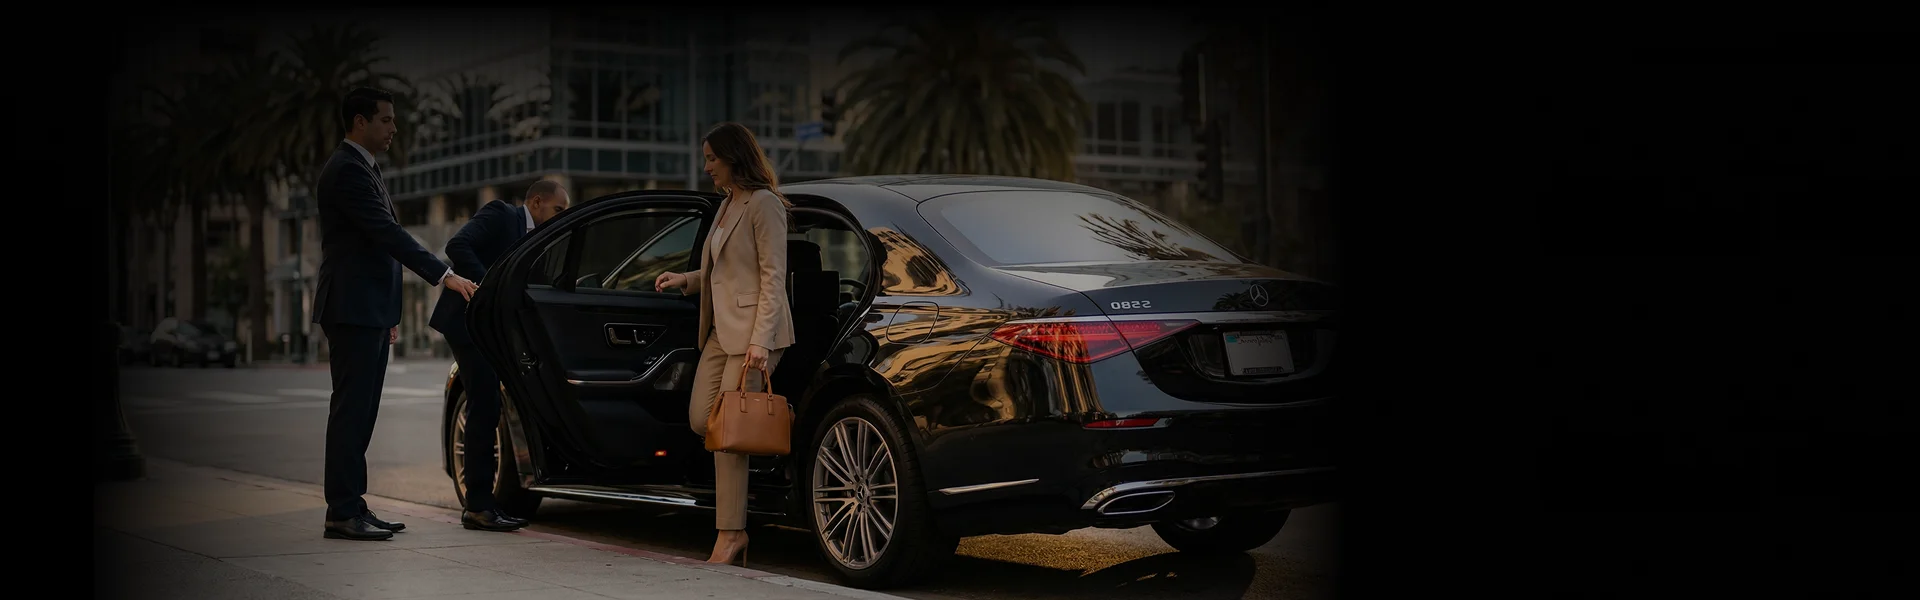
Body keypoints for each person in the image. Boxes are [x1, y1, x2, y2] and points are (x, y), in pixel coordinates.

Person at [312, 87, 479, 541]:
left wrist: (387, 313)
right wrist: (442, 274)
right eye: (385, 120)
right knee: (351, 412)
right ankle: (342, 512)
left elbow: (377, 243)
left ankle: (352, 506)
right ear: (360, 122)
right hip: (350, 306)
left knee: (361, 413)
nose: (393, 128)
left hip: (366, 308)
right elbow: (386, 234)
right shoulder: (347, 171)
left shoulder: (365, 167)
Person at [654, 122, 795, 566]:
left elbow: (774, 276)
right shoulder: (726, 204)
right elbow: (723, 270)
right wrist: (688, 280)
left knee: (729, 433)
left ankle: (731, 535)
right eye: (706, 158)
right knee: (703, 419)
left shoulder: (763, 203)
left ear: (735, 157)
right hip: (719, 330)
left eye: (712, 158)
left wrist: (760, 342)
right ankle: (780, 422)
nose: (706, 166)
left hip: (756, 333)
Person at [428, 179, 570, 531]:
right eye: (558, 210)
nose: (561, 218)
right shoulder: (501, 215)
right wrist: (489, 286)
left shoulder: (537, 239)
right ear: (536, 202)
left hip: (492, 332)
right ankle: (478, 506)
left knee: (489, 406)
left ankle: (482, 503)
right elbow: (457, 245)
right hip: (466, 323)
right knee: (485, 404)